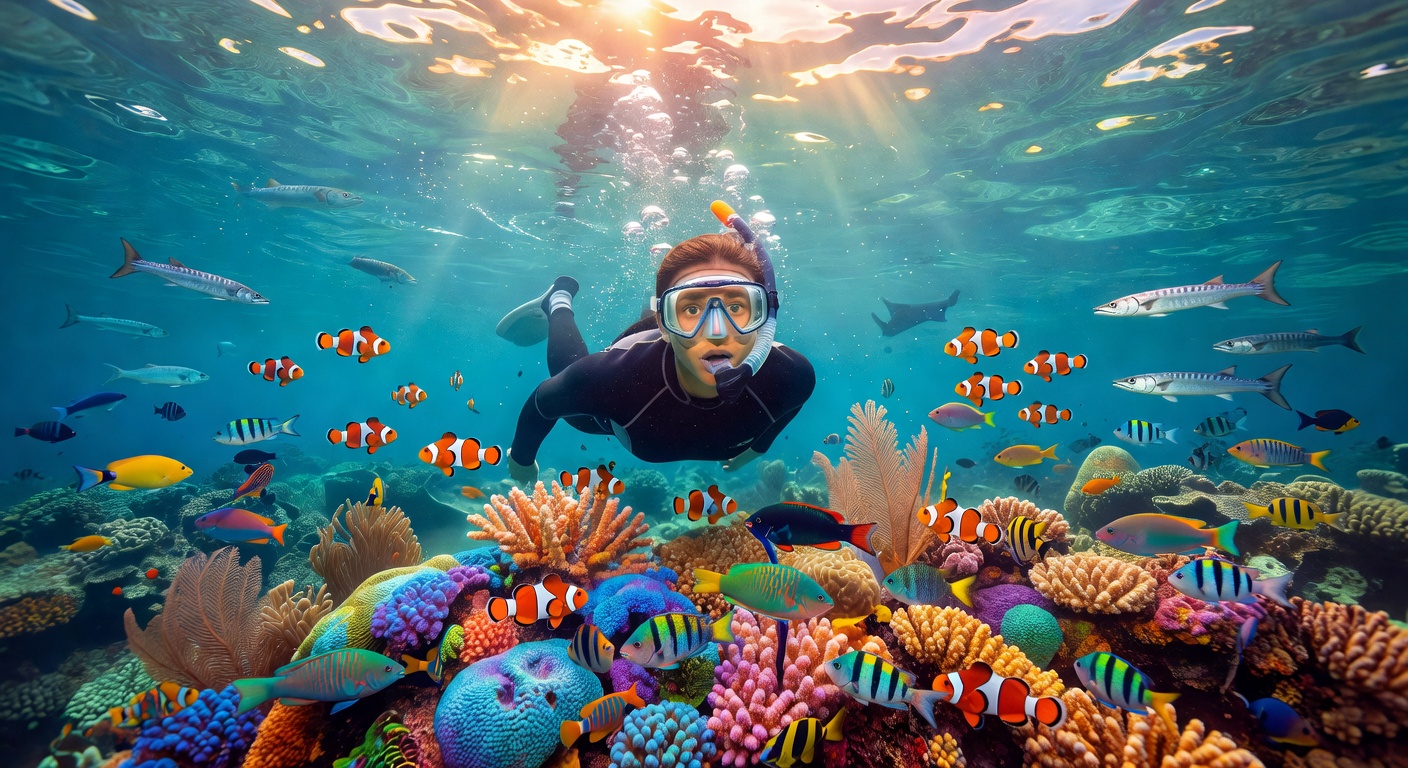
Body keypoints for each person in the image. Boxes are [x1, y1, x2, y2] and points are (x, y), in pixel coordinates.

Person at [497, 203, 815, 483]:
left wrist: (757, 449)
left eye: (736, 307)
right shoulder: (611, 377)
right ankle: (559, 300)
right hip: (643, 349)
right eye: (691, 308)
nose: (717, 332)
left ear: (765, 316)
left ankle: (669, 310)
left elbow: (788, 407)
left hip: (668, 338)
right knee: (577, 411)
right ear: (666, 323)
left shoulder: (793, 375)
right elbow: (543, 401)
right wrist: (521, 459)